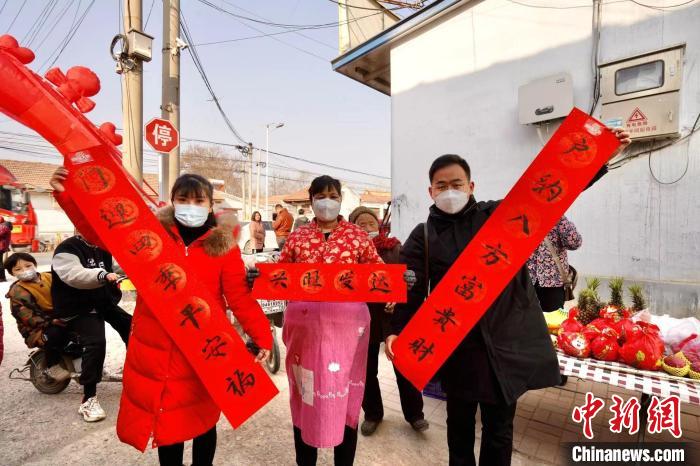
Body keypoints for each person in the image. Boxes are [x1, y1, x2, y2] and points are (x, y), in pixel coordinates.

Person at [386, 128, 630, 466]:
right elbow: (410, 287)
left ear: (471, 186)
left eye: (457, 184)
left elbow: (551, 193)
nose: (450, 191)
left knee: (499, 430)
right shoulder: (424, 236)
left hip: (506, 343)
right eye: (441, 186)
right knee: (458, 428)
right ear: (430, 191)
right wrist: (396, 328)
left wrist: (600, 156)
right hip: (458, 347)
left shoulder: (498, 217)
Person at [113, 173, 272, 466]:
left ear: (210, 205)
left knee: (203, 419)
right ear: (173, 202)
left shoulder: (223, 246)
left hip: (204, 348)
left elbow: (238, 297)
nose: (191, 206)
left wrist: (262, 336)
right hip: (157, 348)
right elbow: (102, 230)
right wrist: (68, 195)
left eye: (199, 200)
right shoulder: (151, 236)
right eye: (183, 199)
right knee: (167, 424)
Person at [276, 176, 383, 466]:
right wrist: (258, 278)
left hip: (347, 334)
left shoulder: (356, 236)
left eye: (333, 195)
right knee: (306, 393)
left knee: (344, 395)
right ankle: (305, 461)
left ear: (340, 199)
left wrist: (401, 281)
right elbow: (280, 275)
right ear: (311, 200)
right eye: (321, 195)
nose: (327, 201)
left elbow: (378, 274)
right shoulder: (297, 237)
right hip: (305, 333)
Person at [349, 207, 428, 437]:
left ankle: (415, 415)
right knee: (366, 370)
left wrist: (409, 279)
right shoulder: (349, 253)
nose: (366, 228)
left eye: (370, 224)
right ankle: (373, 414)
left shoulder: (395, 246)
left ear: (379, 225)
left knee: (403, 366)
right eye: (360, 225)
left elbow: (408, 275)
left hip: (394, 318)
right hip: (362, 319)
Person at [4, 252, 71, 381]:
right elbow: (27, 317)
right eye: (18, 269)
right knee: (54, 334)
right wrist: (51, 321)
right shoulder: (17, 291)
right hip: (36, 329)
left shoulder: (50, 277)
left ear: (35, 265)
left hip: (61, 317)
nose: (25, 270)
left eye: (28, 266)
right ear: (12, 273)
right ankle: (52, 366)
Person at [527, 216, 582, 313]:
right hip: (525, 282)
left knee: (553, 321)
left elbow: (575, 243)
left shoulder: (558, 219)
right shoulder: (522, 217)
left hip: (553, 282)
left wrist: (560, 218)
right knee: (525, 321)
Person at [0, 216, 11, 282]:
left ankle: (2, 278)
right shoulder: (4, 227)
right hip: (2, 247)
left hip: (1, 247)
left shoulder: (3, 228)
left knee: (0, 263)